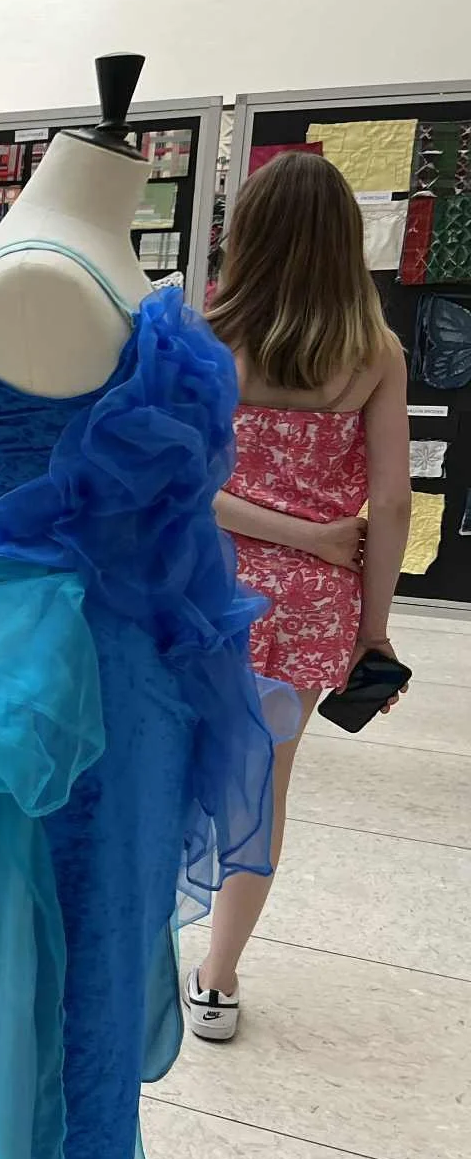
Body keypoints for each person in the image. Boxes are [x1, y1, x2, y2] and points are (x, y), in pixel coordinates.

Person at [190, 150, 412, 1040]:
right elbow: (391, 501)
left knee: (165, 769)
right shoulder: (375, 353)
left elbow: (188, 489)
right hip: (311, 609)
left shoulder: (207, 341)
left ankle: (130, 951)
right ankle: (216, 980)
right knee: (265, 787)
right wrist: (373, 624)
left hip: (203, 592)